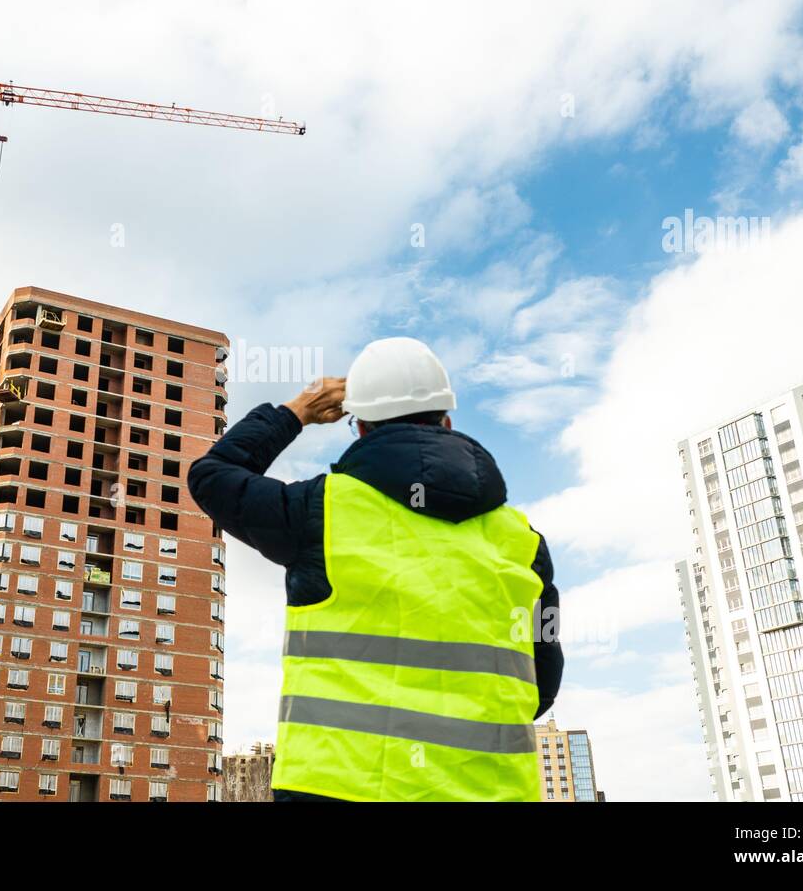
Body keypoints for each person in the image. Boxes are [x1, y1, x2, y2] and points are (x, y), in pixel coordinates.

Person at [188, 337, 562, 801]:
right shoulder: (524, 543)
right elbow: (542, 682)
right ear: (447, 422)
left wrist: (299, 409)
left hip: (338, 789)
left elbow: (213, 475)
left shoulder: (318, 511)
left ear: (360, 429)